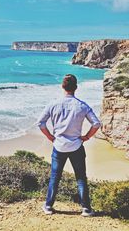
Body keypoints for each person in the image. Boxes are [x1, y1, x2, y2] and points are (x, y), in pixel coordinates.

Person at [37, 74, 101, 217]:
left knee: (55, 177)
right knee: (80, 178)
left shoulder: (53, 104)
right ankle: (86, 209)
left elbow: (40, 123)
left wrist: (50, 137)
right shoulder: (82, 105)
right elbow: (96, 124)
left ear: (62, 86)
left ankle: (48, 206)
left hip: (58, 145)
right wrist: (86, 137)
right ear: (76, 88)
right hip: (77, 146)